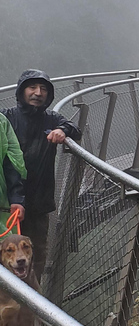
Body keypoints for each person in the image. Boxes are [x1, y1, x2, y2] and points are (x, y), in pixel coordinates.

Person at [3, 70, 82, 281]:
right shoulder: (7, 117)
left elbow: (75, 128)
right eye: (32, 88)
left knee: (36, 253)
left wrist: (63, 130)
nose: (38, 93)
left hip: (38, 202)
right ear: (21, 91)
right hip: (7, 201)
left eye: (44, 89)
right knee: (6, 251)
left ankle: (32, 302)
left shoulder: (51, 119)